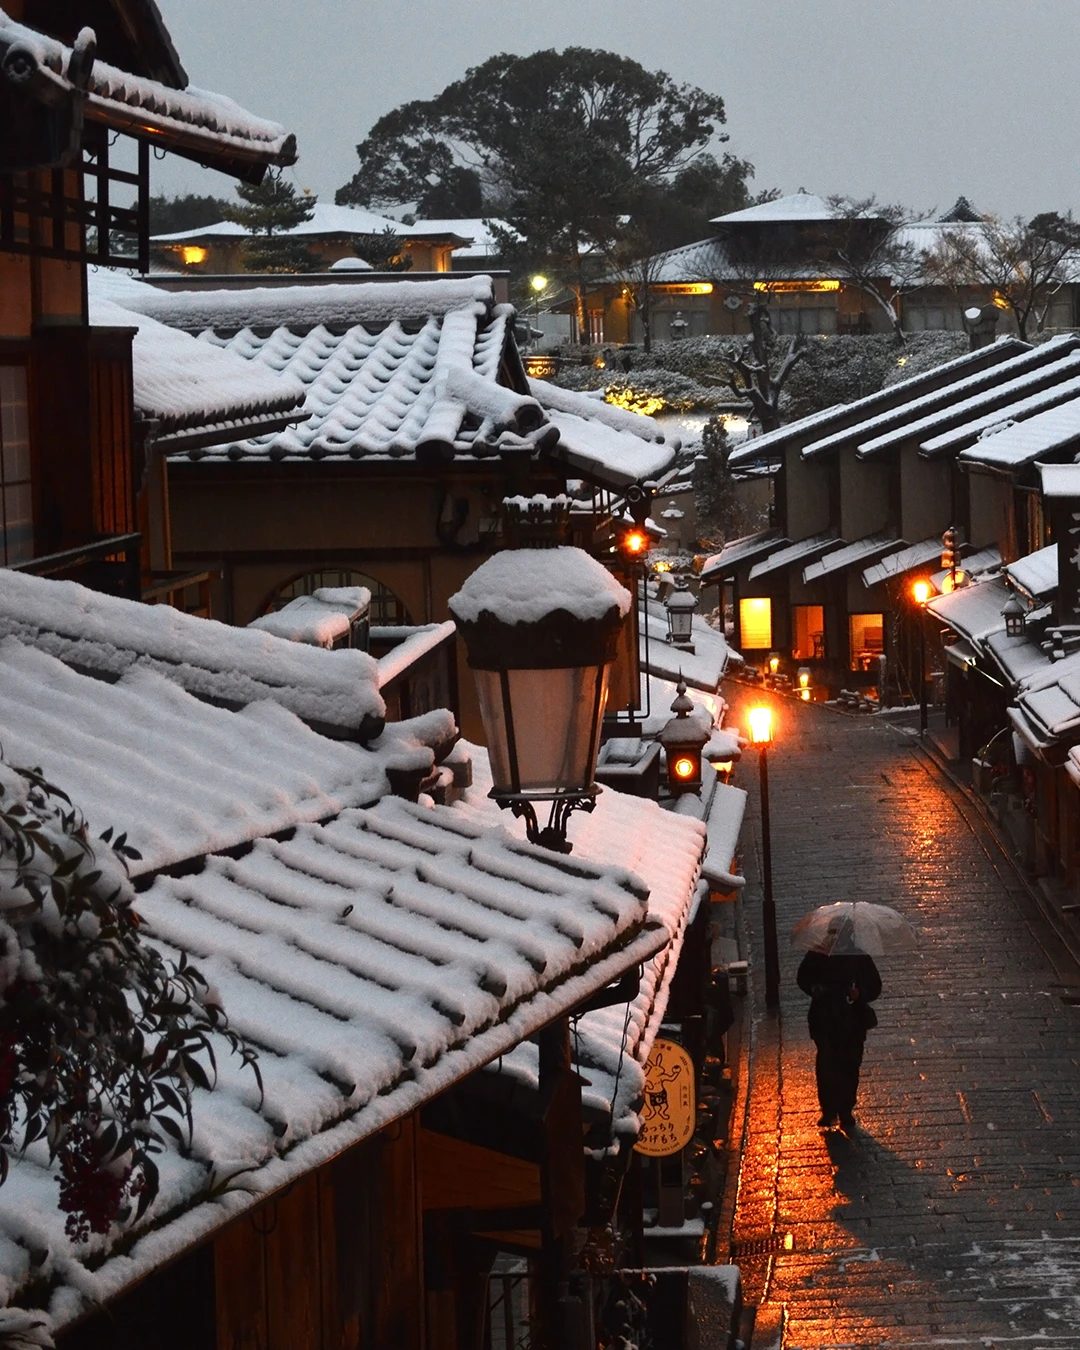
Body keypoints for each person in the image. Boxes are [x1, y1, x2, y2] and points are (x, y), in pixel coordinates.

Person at [797, 941, 881, 1133]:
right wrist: (814, 989)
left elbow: (874, 986)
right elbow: (803, 978)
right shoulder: (817, 953)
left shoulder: (858, 955)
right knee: (827, 1064)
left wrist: (859, 994)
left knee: (850, 1065)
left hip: (852, 1021)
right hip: (825, 1019)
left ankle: (845, 1109)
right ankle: (829, 1109)